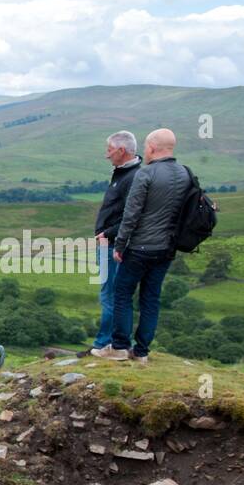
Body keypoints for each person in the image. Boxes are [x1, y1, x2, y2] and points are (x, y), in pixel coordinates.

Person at [94, 128, 191, 364]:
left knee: (122, 295)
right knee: (150, 299)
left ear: (151, 148)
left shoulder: (145, 175)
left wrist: (120, 245)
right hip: (166, 249)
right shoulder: (185, 174)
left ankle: (119, 348)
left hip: (139, 249)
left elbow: (131, 215)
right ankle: (141, 352)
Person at [91, 131, 142, 352]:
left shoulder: (132, 177)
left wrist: (108, 234)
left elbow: (133, 215)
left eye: (109, 150)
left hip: (113, 245)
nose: (107, 155)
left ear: (122, 150)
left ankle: (106, 343)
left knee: (110, 295)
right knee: (113, 294)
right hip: (111, 243)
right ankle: (116, 342)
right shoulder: (125, 174)